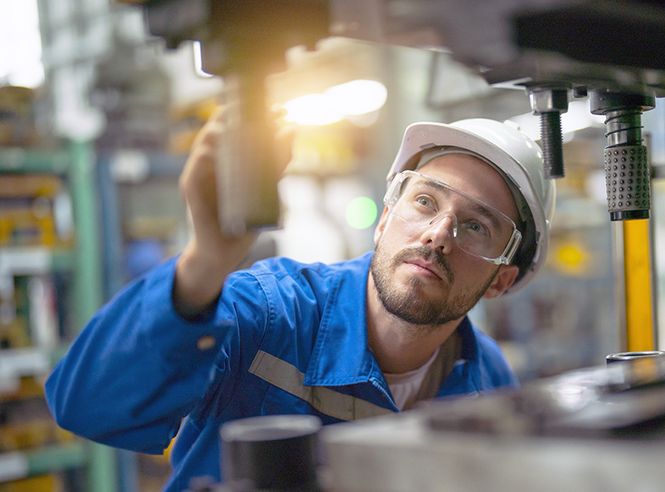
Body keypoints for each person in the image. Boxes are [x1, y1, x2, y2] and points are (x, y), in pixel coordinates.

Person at [45, 115, 554, 491]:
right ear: (384, 218)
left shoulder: (487, 384)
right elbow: (87, 406)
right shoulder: (269, 314)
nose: (438, 234)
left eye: (476, 226)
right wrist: (203, 263)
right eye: (425, 201)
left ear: (500, 281)